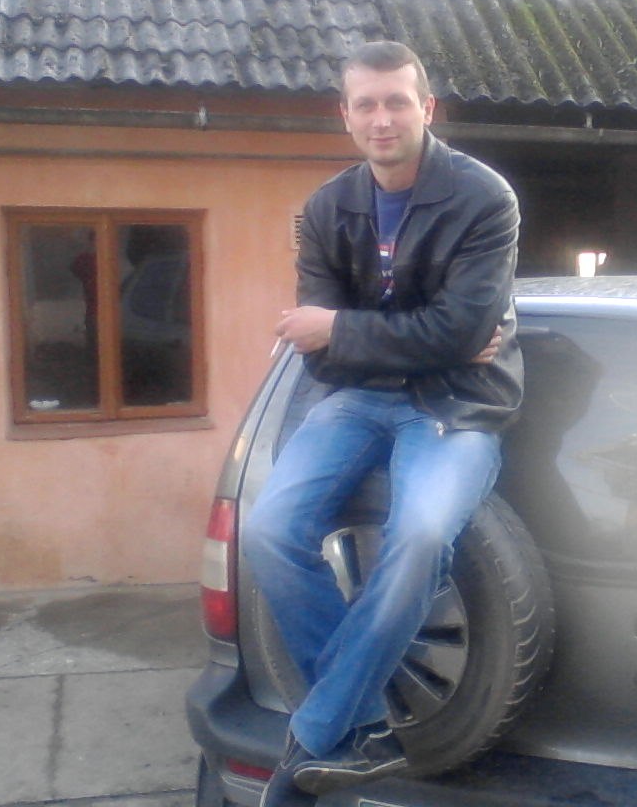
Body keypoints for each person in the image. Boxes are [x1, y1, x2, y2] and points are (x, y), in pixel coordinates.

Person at [242, 41, 524, 806]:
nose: (381, 118)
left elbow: (459, 335)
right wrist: (426, 335)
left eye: (396, 101)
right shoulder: (326, 209)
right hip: (355, 399)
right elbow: (325, 350)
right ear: (345, 115)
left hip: (458, 405)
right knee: (267, 530)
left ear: (426, 108)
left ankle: (315, 736)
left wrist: (345, 327)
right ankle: (362, 723)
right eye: (365, 104)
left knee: (423, 535)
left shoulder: (484, 197)